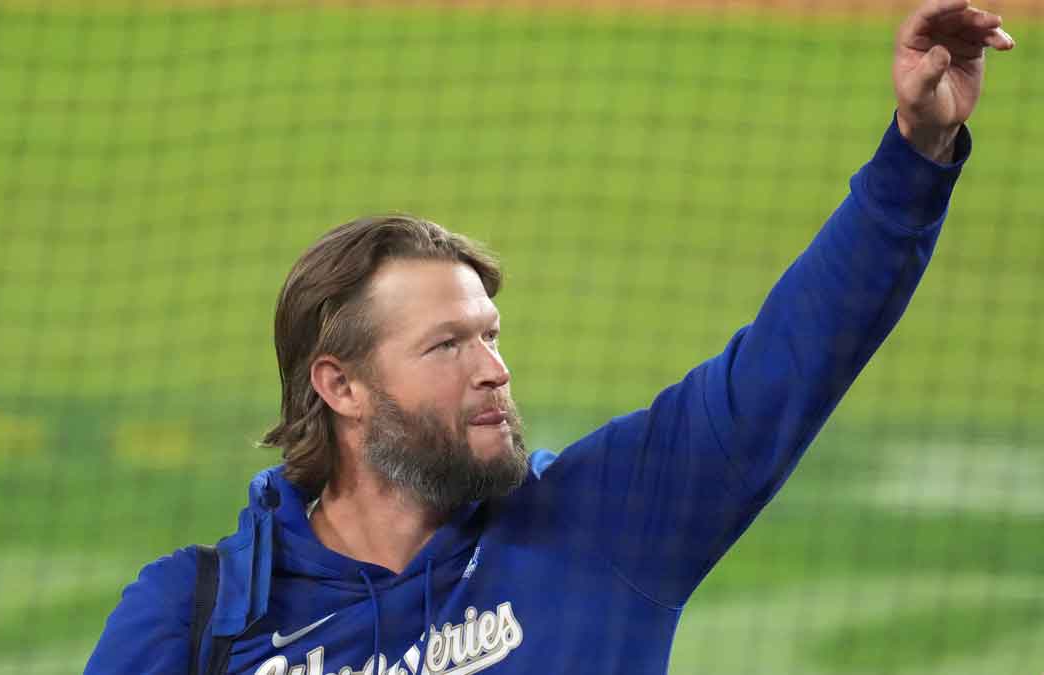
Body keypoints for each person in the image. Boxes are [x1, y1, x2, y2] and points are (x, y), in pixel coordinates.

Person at [86, 1, 1015, 673]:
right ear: (341, 386)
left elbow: (792, 359)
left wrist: (916, 150)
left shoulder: (605, 524)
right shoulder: (198, 617)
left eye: (490, 336)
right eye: (447, 346)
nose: (494, 370)